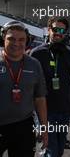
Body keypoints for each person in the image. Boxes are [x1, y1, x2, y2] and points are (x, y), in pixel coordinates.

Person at [30, 17, 70, 157]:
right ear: (49, 30)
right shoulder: (36, 53)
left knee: (59, 150)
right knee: (51, 151)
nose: (58, 33)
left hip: (64, 109)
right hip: (44, 110)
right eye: (55, 29)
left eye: (62, 30)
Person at [0, 21, 48, 157]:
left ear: (27, 41)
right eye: (11, 39)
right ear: (3, 38)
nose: (16, 43)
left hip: (24, 126)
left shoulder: (34, 64)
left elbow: (40, 98)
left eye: (21, 39)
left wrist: (44, 128)